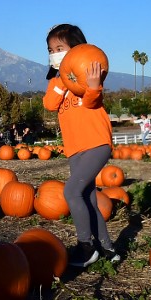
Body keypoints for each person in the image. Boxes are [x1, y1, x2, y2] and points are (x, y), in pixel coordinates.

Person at [42, 23, 119, 267]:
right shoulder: (57, 82)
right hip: (75, 148)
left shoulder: (88, 79)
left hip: (96, 143)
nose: (54, 53)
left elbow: (92, 102)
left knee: (71, 192)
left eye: (60, 48)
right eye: (51, 49)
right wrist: (62, 79)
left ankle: (86, 246)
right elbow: (49, 104)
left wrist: (92, 84)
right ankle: (108, 249)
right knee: (89, 199)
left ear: (77, 49)